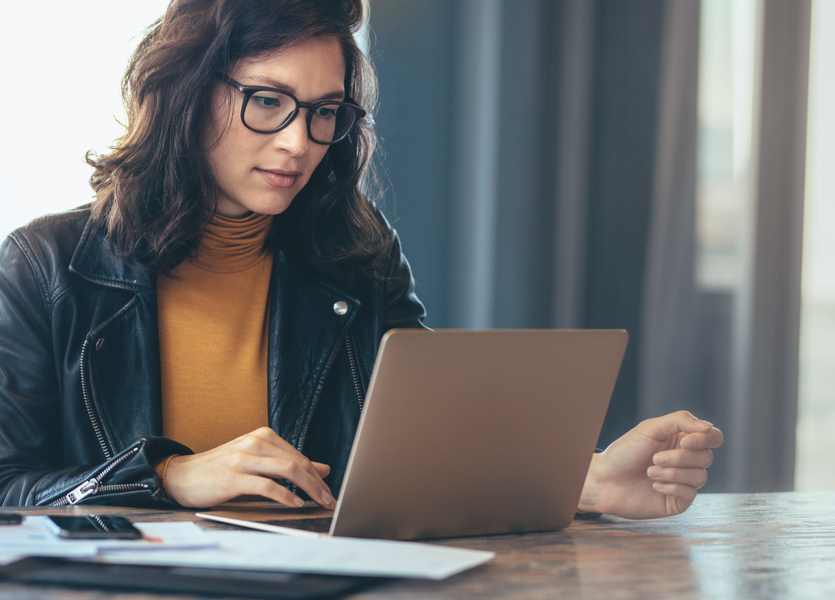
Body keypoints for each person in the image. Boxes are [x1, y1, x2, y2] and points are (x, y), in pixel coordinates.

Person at [0, 0, 722, 518]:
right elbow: (8, 487)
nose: (298, 141)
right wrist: (169, 476)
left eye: (324, 111)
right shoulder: (46, 266)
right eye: (266, 101)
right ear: (187, 93)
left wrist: (585, 481)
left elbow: (422, 453)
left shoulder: (357, 257)